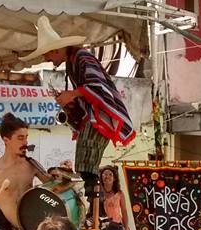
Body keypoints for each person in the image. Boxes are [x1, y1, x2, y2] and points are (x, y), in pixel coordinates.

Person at [20, 16, 135, 186]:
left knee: (87, 164)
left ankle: (94, 198)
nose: (47, 59)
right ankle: (92, 198)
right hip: (94, 115)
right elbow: (88, 91)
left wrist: (72, 95)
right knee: (85, 163)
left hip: (100, 115)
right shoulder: (72, 62)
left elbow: (98, 86)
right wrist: (70, 101)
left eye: (47, 55)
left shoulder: (82, 57)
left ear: (56, 50)